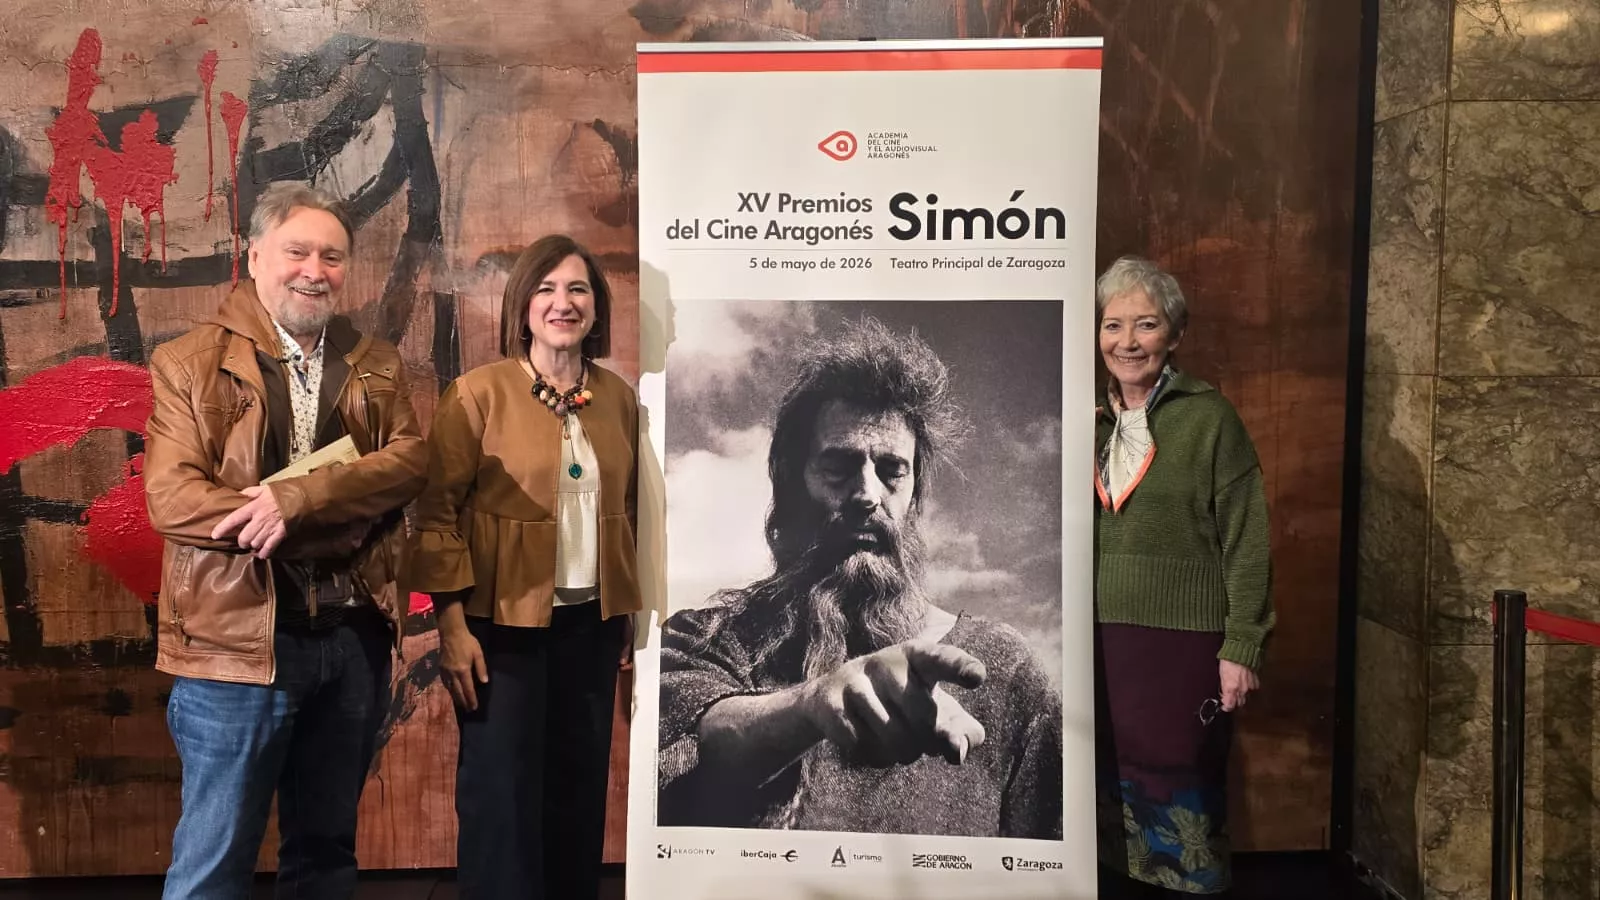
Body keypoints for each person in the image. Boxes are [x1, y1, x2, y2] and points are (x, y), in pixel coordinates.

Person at [656, 316, 1062, 839]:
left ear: (915, 495)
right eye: (839, 467)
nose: (867, 495)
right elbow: (691, 744)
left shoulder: (1006, 672)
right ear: (792, 482)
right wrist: (812, 704)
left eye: (892, 471)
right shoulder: (709, 639)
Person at [144, 181, 428, 899]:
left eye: (332, 256)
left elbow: (409, 462)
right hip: (234, 646)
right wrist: (333, 510)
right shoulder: (188, 362)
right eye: (297, 250)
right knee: (214, 860)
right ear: (255, 252)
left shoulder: (376, 362)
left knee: (326, 854)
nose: (315, 270)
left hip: (353, 636)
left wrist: (294, 500)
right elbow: (173, 498)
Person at [410, 234, 640, 900]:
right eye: (546, 289)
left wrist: (626, 612)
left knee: (577, 795)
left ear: (596, 307)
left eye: (577, 289)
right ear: (522, 305)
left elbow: (627, 513)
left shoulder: (619, 400)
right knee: (500, 803)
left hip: (590, 629)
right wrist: (452, 629)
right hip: (497, 632)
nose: (562, 303)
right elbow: (436, 516)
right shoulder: (476, 395)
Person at [1092, 256, 1273, 896]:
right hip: (1100, 642)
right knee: (1108, 789)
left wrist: (1242, 646)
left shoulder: (1210, 418)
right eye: (1113, 325)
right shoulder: (1087, 424)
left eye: (1146, 324)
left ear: (1175, 334)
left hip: (1184, 644)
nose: (1128, 341)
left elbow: (1248, 541)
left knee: (1180, 788)